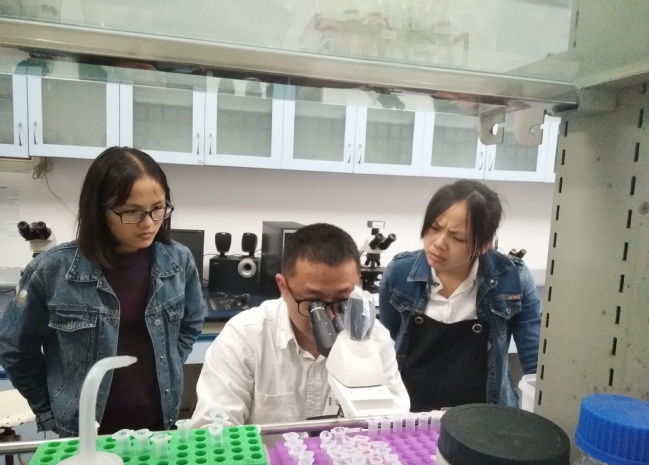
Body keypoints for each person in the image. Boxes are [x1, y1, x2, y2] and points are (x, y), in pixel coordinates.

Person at [0, 146, 205, 437]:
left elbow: (192, 322)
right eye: (132, 212)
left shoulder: (178, 261)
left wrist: (169, 364)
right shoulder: (52, 270)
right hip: (83, 434)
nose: (149, 223)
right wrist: (48, 410)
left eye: (158, 208)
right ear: (99, 209)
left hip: (160, 427)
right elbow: (15, 348)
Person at [190, 223, 409, 427]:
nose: (328, 316)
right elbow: (213, 430)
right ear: (283, 287)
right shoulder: (243, 338)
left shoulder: (374, 338)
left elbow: (395, 423)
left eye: (343, 301)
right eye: (313, 303)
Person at [379, 179, 540, 412]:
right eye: (434, 228)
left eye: (457, 238)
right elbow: (390, 335)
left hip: (484, 415)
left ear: (484, 244)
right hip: (411, 412)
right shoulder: (400, 272)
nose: (438, 243)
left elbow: (535, 362)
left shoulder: (513, 278)